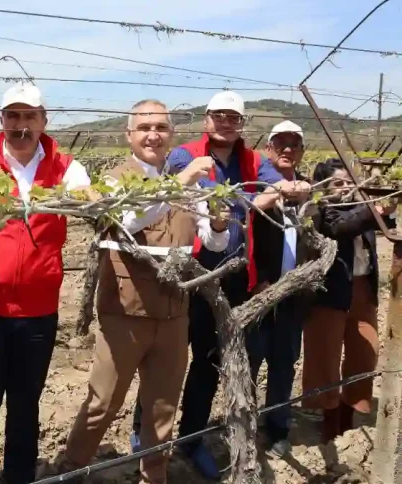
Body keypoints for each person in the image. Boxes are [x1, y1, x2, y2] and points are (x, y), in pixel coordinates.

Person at [131, 91, 309, 480]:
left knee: (209, 364)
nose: (227, 123)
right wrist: (256, 198)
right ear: (207, 119)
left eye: (234, 117)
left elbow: (279, 186)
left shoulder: (253, 159)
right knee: (167, 361)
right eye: (220, 116)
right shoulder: (186, 156)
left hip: (233, 280)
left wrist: (279, 191)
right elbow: (203, 200)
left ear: (242, 124)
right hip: (189, 276)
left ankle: (191, 439)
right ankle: (141, 432)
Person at [57, 100, 229, 483]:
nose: (153, 134)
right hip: (125, 313)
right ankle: (72, 469)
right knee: (103, 402)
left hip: (174, 314)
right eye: (145, 127)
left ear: (171, 135)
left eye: (161, 128)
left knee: (162, 407)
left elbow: (214, 245)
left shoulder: (190, 182)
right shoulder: (116, 180)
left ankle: (155, 475)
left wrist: (218, 225)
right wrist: (177, 186)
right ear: (129, 135)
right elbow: (129, 221)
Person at [0, 82, 92, 484]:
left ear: (43, 120)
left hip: (39, 310)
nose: (21, 125)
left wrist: (87, 196)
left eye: (29, 116)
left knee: (26, 405)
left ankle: (18, 477)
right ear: (2, 121)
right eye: (13, 116)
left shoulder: (67, 167)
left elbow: (87, 196)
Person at [303, 158, 396, 443]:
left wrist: (386, 211)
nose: (345, 188)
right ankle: (324, 422)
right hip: (330, 295)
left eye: (348, 182)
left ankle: (350, 412)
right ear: (322, 188)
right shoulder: (319, 211)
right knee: (324, 360)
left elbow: (383, 226)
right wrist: (373, 210)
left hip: (362, 292)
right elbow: (338, 228)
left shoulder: (361, 206)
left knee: (365, 355)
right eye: (337, 183)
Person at [247, 121, 315, 457]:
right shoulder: (256, 187)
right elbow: (243, 240)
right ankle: (242, 423)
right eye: (280, 143)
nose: (287, 149)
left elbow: (321, 235)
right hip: (260, 292)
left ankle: (277, 427)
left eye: (294, 144)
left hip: (293, 294)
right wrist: (258, 281)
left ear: (302, 151)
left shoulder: (310, 190)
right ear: (269, 149)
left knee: (284, 362)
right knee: (250, 359)